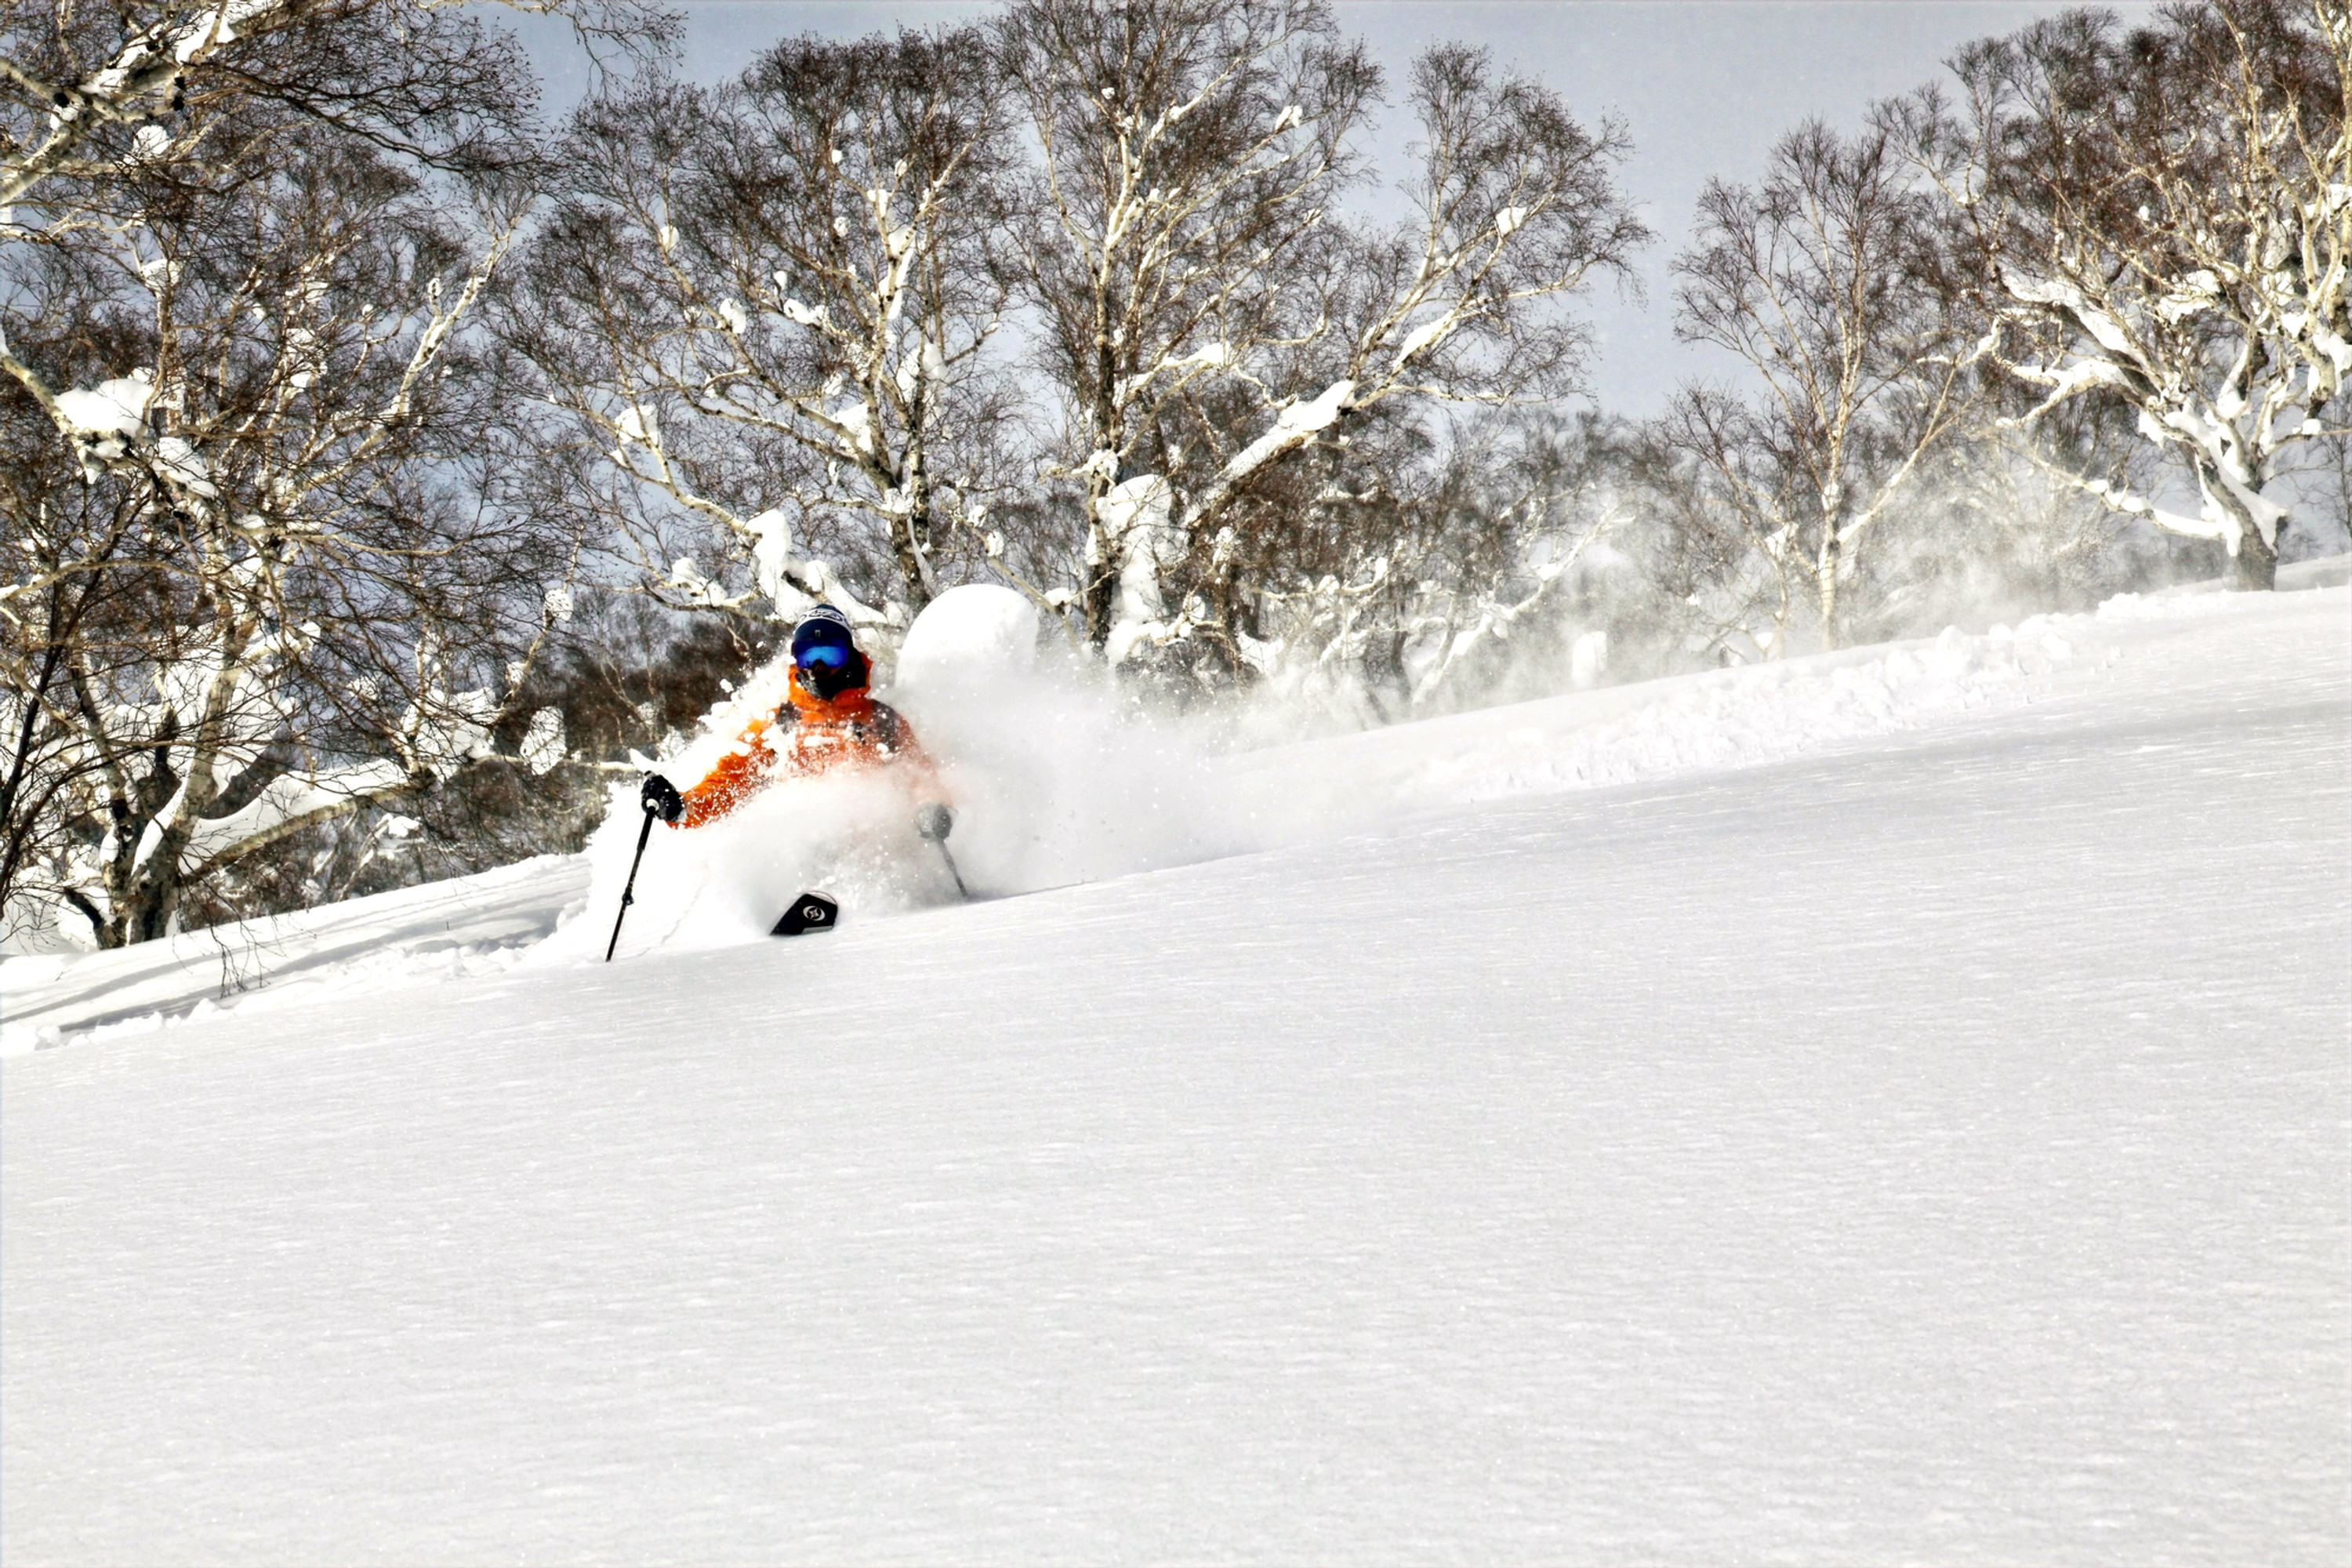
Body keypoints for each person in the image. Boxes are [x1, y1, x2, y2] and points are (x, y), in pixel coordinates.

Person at [638, 604, 952, 837]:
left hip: (879, 851)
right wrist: (681, 805)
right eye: (809, 657)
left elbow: (921, 774)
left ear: (849, 658)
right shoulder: (780, 722)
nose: (819, 668)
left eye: (830, 656)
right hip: (804, 853)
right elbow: (733, 778)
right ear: (797, 661)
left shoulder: (883, 721)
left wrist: (931, 807)